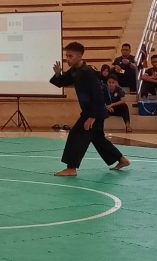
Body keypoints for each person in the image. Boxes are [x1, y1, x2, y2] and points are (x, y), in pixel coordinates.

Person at [50, 42, 131, 177]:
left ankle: (71, 168)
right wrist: (58, 74)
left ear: (80, 56)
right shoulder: (74, 70)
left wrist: (92, 117)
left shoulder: (87, 72)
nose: (67, 59)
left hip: (94, 112)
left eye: (70, 56)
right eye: (66, 56)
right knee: (98, 139)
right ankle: (122, 160)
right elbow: (62, 82)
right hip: (92, 112)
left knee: (76, 135)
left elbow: (97, 94)